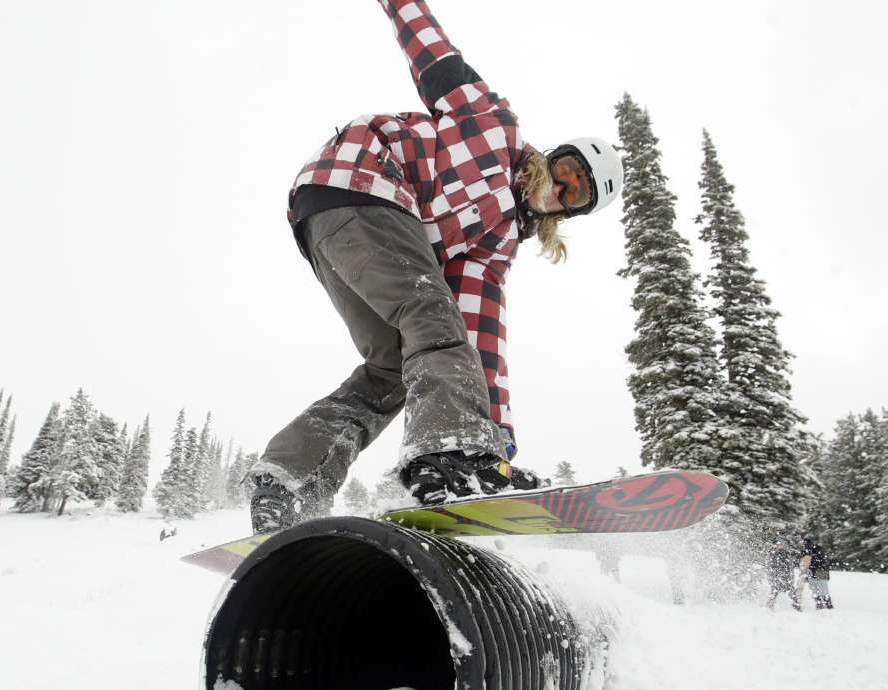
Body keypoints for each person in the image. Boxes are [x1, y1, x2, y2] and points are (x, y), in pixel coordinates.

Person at [248, 0, 624, 534]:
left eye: (575, 197)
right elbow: (435, 54)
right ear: (554, 155)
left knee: (393, 371)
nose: (560, 190)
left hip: (327, 226)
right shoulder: (494, 125)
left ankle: (292, 481)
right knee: (431, 316)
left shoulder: (493, 248)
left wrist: (499, 442)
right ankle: (446, 459)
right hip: (367, 177)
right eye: (566, 172)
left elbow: (481, 345)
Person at [799, 535, 834, 609]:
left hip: (820, 571)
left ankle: (828, 604)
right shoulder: (805, 551)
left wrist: (811, 560)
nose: (805, 545)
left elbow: (822, 561)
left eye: (807, 543)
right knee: (814, 589)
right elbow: (803, 562)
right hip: (811, 572)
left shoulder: (818, 549)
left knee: (823, 589)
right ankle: (819, 604)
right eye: (804, 544)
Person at [766, 538, 801, 611]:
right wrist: (772, 577)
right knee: (774, 592)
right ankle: (769, 606)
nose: (779, 546)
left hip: (786, 577)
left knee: (791, 592)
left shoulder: (786, 554)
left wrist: (790, 578)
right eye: (778, 545)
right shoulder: (772, 553)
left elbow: (790, 567)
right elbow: (769, 566)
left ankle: (797, 605)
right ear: (775, 545)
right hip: (776, 577)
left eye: (781, 545)